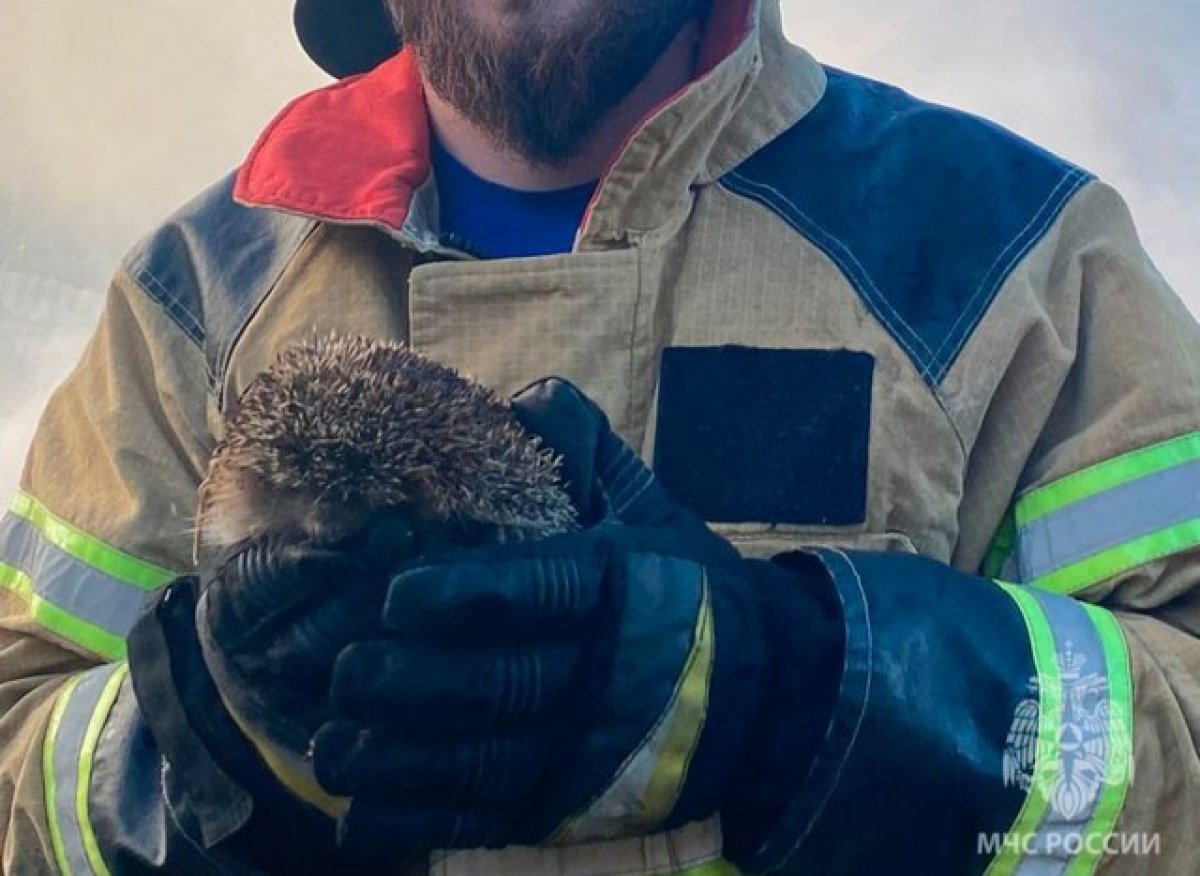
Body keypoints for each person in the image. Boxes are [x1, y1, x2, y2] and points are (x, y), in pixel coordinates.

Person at [1, 0, 1196, 873]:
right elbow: (21, 751)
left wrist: (798, 694)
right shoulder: (188, 298)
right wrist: (218, 744)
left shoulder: (1013, 250)